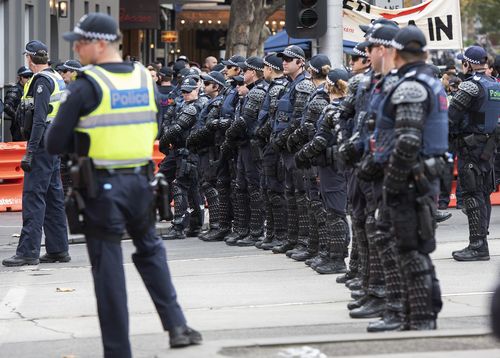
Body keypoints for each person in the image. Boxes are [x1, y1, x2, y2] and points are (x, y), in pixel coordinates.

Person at [45, 13, 201, 357]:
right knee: (150, 250)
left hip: (101, 186)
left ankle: (118, 350)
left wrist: (81, 140)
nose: (77, 48)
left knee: (108, 268)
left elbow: (53, 142)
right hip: (142, 181)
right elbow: (155, 126)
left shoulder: (87, 84)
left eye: (80, 42)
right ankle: (177, 325)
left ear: (99, 43)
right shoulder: (143, 77)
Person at [376, 25, 445, 330]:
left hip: (411, 181)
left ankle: (420, 318)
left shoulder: (411, 86)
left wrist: (391, 181)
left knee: (410, 249)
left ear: (395, 52)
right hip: (419, 178)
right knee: (412, 247)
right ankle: (416, 315)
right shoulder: (426, 80)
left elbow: (406, 142)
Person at [2, 41, 69, 267]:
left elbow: (39, 119)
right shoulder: (56, 77)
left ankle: (28, 252)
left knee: (33, 197)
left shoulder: (41, 81)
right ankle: (58, 249)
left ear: (30, 58)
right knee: (53, 197)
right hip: (53, 143)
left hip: (41, 145)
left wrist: (30, 152)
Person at [449, 46, 500, 261]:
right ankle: (481, 240)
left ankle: (477, 245)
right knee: (484, 194)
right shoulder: (494, 85)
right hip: (489, 148)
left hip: (470, 147)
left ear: (467, 63)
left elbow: (451, 117)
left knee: (472, 195)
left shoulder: (470, 86)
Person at [271, 45, 316, 254]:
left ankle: (304, 240)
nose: (284, 62)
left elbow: (299, 120)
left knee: (300, 194)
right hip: (286, 147)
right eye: (283, 59)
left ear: (301, 62)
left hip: (295, 148)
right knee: (290, 193)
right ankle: (293, 237)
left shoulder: (303, 86)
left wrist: (283, 139)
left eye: (289, 59)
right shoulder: (288, 85)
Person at [223, 56, 269, 246]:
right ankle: (243, 228)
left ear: (253, 72)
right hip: (243, 145)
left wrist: (229, 135)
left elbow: (246, 120)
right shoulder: (249, 91)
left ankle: (256, 230)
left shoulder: (258, 91)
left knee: (253, 188)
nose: (244, 74)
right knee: (241, 187)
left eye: (247, 71)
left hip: (252, 145)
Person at [4, 66, 33, 141]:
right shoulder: (15, 90)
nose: (29, 79)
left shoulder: (31, 89)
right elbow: (7, 106)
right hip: (19, 128)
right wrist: (19, 117)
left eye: (31, 76)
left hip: (30, 126)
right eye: (26, 76)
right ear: (19, 78)